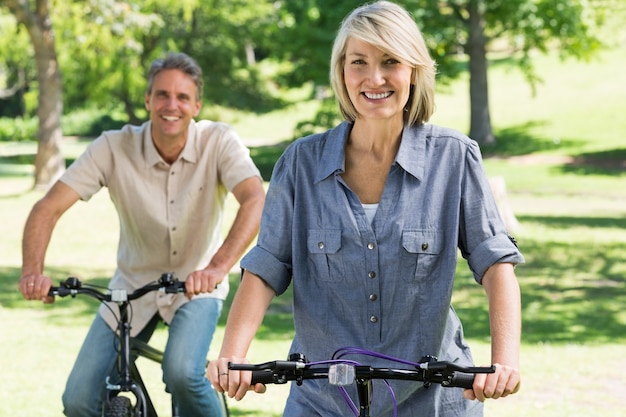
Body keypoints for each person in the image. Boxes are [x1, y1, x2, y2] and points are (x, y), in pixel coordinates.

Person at [207, 1, 523, 416]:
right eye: (359, 62)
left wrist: (505, 362)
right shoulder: (300, 163)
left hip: (431, 399)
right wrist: (233, 355)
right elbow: (265, 267)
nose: (374, 78)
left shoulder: (454, 158)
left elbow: (496, 263)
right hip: (321, 399)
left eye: (390, 61)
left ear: (414, 70)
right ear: (342, 72)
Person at [19, 52, 265, 417]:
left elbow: (254, 198)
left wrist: (216, 268)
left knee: (183, 373)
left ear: (196, 105)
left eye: (183, 97)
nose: (171, 105)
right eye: (162, 95)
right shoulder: (113, 147)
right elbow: (47, 208)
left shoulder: (218, 140)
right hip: (131, 288)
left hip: (196, 285)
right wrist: (32, 272)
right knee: (79, 400)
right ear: (148, 100)